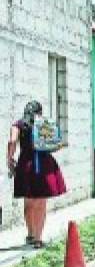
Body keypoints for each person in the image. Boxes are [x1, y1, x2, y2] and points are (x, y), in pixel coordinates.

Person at [6, 101, 67, 248]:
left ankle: (31, 234)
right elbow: (56, 144)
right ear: (40, 112)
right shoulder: (44, 124)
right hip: (44, 164)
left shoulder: (18, 125)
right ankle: (39, 239)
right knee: (41, 203)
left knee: (29, 203)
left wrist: (9, 158)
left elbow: (12, 141)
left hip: (26, 165)